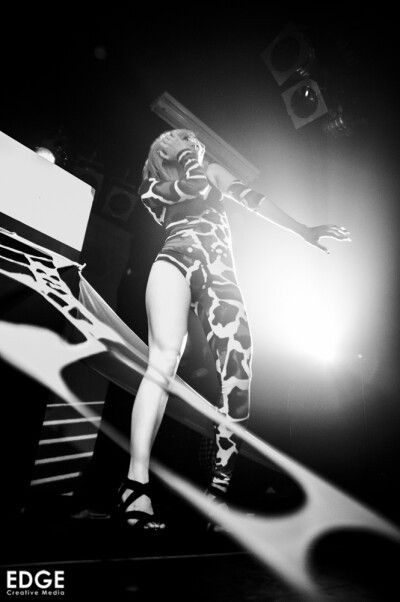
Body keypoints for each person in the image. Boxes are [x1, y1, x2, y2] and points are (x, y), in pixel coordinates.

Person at [117, 129, 350, 529]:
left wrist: (303, 230)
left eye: (193, 137)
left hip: (221, 278)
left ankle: (218, 494)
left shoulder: (212, 171)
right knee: (162, 364)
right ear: (162, 151)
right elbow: (189, 187)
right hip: (175, 262)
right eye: (180, 137)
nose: (191, 139)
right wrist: (192, 160)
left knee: (239, 379)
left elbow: (253, 200)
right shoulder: (151, 187)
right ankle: (134, 485)